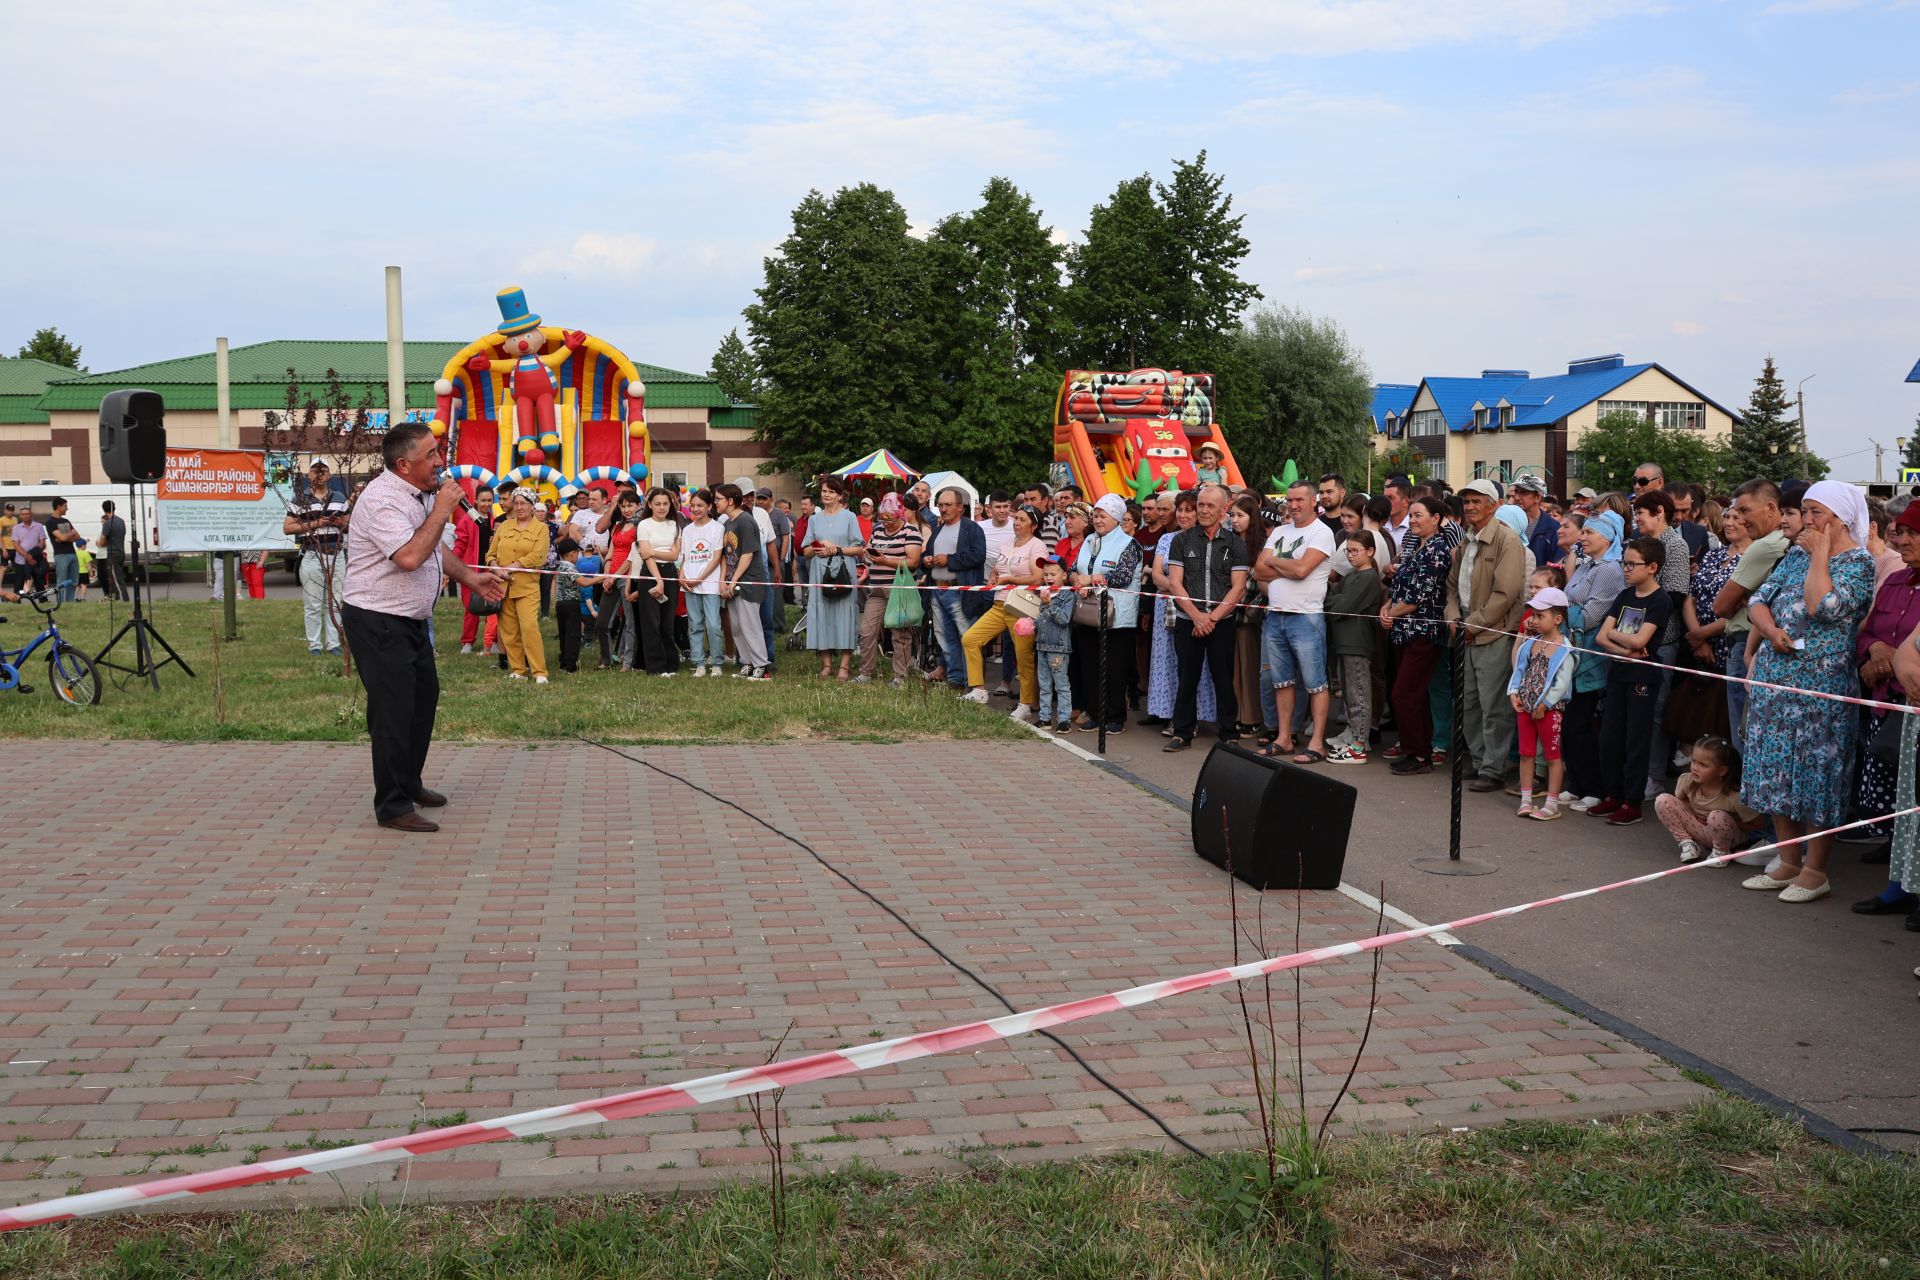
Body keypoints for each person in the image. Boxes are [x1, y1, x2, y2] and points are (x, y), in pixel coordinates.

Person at [339, 422, 506, 832]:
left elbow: (434, 546)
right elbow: (411, 556)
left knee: (421, 700)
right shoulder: (383, 501)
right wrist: (442, 511)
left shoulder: (418, 495)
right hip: (377, 617)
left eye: (438, 451)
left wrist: (471, 578)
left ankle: (409, 781)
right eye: (430, 455)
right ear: (403, 464)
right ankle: (392, 806)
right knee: (393, 711)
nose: (439, 461)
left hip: (409, 618)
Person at [1740, 483, 1878, 903]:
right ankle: (1787, 860)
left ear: (1839, 517)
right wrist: (1770, 631)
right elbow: (1758, 600)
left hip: (1822, 686)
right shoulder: (1794, 556)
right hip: (1776, 679)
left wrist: (1821, 555)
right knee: (1775, 768)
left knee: (1817, 774)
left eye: (1816, 511)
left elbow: (1824, 607)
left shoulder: (1858, 563)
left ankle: (1816, 870)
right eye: (1805, 511)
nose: (1807, 519)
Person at [1446, 479, 1527, 793]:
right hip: (1465, 632)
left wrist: (1473, 624)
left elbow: (1505, 595)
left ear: (1493, 505)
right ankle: (1479, 762)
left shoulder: (1507, 540)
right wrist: (1453, 618)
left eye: (1476, 501)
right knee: (1468, 704)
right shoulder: (1467, 540)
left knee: (1494, 706)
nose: (1469, 507)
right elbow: (1453, 587)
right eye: (1466, 502)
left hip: (1492, 634)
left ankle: (1493, 769)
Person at [1849, 503, 1920, 852]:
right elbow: (1866, 632)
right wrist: (1875, 648)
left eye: (1912, 533)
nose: (1901, 539)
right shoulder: (1894, 580)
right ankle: (1895, 862)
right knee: (1887, 781)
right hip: (1884, 700)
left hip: (1913, 701)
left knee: (1913, 789)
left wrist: (1898, 661)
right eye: (1901, 531)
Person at [1587, 537, 1671, 826]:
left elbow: (1642, 639)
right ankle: (1613, 793)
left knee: (1636, 738)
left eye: (1631, 564)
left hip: (1643, 678)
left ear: (1652, 567)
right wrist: (1627, 649)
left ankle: (1632, 801)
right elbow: (1601, 636)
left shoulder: (1661, 599)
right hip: (1619, 671)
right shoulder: (1624, 596)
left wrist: (1624, 640)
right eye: (1624, 562)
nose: (1625, 568)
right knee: (1609, 736)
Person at [1165, 485, 1250, 752]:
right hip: (1187, 620)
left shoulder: (1235, 543)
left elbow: (1238, 587)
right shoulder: (1181, 540)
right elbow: (1175, 583)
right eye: (1200, 504)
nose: (1203, 510)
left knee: (1223, 678)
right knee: (1186, 677)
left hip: (1221, 621)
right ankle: (1182, 732)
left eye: (1210, 506)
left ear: (1224, 509)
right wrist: (1196, 616)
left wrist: (1211, 618)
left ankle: (1228, 732)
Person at [1255, 481, 1335, 763]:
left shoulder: (1322, 533)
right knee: (1282, 681)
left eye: (1299, 499)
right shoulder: (1279, 530)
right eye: (1290, 500)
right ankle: (1284, 738)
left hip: (1306, 617)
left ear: (1314, 501)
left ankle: (1316, 743)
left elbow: (1302, 570)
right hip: (1276, 614)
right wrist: (1285, 566)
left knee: (1316, 683)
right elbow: (1258, 571)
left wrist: (1275, 562)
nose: (1293, 505)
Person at [1714, 479, 1790, 741]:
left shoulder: (1766, 545)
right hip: (1756, 643)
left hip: (1745, 643)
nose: (1740, 520)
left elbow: (1721, 606)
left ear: (1771, 508)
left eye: (1745, 511)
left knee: (1745, 736)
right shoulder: (1783, 543)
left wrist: (1748, 598)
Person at [1383, 496, 1453, 775]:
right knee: (1413, 694)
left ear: (1435, 518)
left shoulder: (1438, 550)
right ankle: (1419, 751)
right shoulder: (1413, 546)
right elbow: (1399, 585)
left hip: (1423, 631)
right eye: (1410, 515)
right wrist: (1386, 606)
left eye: (1418, 515)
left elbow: (1418, 597)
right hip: (1404, 630)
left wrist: (1391, 613)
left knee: (1404, 693)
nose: (1412, 520)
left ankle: (1417, 753)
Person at [1632, 487, 1691, 798]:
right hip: (1635, 637)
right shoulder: (1643, 544)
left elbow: (1676, 595)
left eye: (1641, 513)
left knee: (1655, 712)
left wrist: (1647, 625)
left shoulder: (1675, 547)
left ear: (1659, 513)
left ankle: (1654, 777)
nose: (1637, 518)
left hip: (1660, 640)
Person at [962, 504, 1047, 716]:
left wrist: (1010, 579)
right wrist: (993, 574)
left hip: (1022, 608)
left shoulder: (1037, 547)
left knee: (1023, 656)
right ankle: (979, 690)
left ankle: (1026, 704)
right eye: (1016, 518)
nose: (1016, 523)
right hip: (1000, 604)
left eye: (1022, 520)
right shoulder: (1007, 543)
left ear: (1034, 526)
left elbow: (1037, 578)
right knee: (970, 639)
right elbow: (999, 567)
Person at [1070, 493, 1143, 734]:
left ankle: (1115, 716)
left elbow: (1122, 577)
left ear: (1116, 518)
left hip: (1116, 618)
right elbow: (1073, 569)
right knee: (1089, 665)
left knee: (1114, 667)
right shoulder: (1089, 539)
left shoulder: (1129, 544)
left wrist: (1090, 580)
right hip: (1088, 613)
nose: (1098, 520)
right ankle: (1094, 712)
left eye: (1103, 516)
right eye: (1096, 515)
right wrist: (1077, 582)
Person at [1508, 587, 1577, 820]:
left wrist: (1545, 705)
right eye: (1533, 615)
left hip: (1549, 711)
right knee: (1526, 753)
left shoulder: (1565, 648)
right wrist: (1514, 693)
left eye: (1540, 616)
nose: (1534, 621)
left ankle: (1551, 803)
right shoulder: (1530, 643)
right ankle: (1526, 800)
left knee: (1552, 756)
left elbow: (1562, 683)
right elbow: (1519, 671)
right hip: (1525, 708)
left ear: (1557, 619)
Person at [1323, 532, 1383, 765]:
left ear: (1370, 552)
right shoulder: (1351, 575)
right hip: (1345, 641)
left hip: (1357, 642)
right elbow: (1333, 600)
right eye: (1348, 551)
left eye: (1354, 551)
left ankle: (1359, 743)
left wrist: (1336, 603)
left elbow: (1342, 605)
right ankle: (1353, 733)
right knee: (1350, 693)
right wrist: (1336, 603)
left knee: (1359, 693)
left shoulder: (1368, 577)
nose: (1350, 555)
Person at [1655, 737, 1761, 864]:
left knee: (1716, 816)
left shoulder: (1735, 796)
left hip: (1729, 837)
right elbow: (1680, 801)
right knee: (1663, 800)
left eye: (1703, 765)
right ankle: (1687, 843)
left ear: (1722, 770)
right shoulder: (1686, 780)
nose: (1695, 768)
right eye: (1694, 761)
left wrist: (1731, 822)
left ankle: (1721, 852)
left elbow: (1759, 824)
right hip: (1700, 830)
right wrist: (1695, 813)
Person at [854, 492, 924, 686]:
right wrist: (869, 556)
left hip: (898, 590)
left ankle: (900, 677)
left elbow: (913, 562)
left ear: (900, 514)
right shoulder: (877, 530)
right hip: (876, 590)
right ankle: (865, 673)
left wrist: (886, 560)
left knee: (900, 634)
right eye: (882, 517)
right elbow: (868, 550)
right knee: (867, 632)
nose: (885, 521)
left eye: (889, 517)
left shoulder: (910, 532)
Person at [923, 487, 988, 689]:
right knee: (946, 639)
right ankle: (955, 679)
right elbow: (931, 552)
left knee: (967, 637)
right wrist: (927, 559)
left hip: (959, 591)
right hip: (938, 590)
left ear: (960, 507)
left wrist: (949, 560)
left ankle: (974, 683)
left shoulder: (971, 528)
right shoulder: (938, 529)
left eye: (948, 504)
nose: (943, 509)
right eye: (940, 505)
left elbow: (978, 555)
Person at [802, 475, 863, 681]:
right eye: (824, 491)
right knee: (822, 614)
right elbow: (806, 550)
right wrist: (817, 547)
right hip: (819, 571)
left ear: (839, 495)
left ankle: (844, 666)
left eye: (831, 492)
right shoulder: (814, 519)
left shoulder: (850, 517)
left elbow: (858, 548)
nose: (826, 495)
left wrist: (836, 550)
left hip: (843, 570)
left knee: (845, 615)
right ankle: (826, 664)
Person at [487, 489, 551, 683]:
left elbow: (538, 556)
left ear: (532, 505)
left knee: (529, 628)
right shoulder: (504, 526)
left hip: (527, 588)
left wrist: (510, 568)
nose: (519, 507)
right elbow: (489, 555)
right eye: (516, 503)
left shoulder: (541, 528)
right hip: (503, 586)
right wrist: (496, 568)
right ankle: (518, 670)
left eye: (524, 503)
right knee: (508, 630)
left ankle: (539, 672)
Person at [284, 462, 349, 656]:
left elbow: (349, 525)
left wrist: (340, 523)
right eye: (315, 471)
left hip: (336, 555)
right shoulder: (300, 499)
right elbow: (288, 527)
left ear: (329, 475)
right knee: (312, 603)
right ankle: (315, 645)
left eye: (323, 471)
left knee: (336, 601)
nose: (319, 474)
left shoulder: (339, 498)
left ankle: (333, 643)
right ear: (309, 475)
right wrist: (315, 523)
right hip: (312, 554)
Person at [632, 487, 682, 676]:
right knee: (651, 622)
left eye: (665, 504)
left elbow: (674, 555)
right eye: (658, 504)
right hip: (650, 574)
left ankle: (671, 664)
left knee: (667, 623)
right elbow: (645, 555)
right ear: (650, 505)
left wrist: (653, 551)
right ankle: (655, 666)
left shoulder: (675, 525)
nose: (662, 507)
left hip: (670, 573)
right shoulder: (644, 525)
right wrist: (658, 581)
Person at [678, 489, 726, 675]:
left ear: (709, 506)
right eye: (693, 506)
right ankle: (699, 663)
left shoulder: (717, 528)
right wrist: (682, 576)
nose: (696, 509)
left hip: (710, 584)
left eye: (700, 506)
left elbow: (716, 558)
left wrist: (700, 578)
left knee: (713, 624)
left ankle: (717, 662)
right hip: (690, 584)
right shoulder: (688, 529)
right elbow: (685, 556)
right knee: (694, 624)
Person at [1034, 556, 1077, 732]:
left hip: (1059, 648)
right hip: (1042, 646)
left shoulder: (1068, 596)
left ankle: (1064, 719)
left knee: (1061, 685)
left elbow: (1064, 619)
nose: (1049, 577)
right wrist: (1032, 626)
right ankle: (1045, 718)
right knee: (1044, 684)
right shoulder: (1045, 594)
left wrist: (1049, 605)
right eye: (1045, 574)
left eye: (1053, 573)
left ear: (1064, 575)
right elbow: (1041, 620)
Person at [552, 536, 587, 674]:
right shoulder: (570, 567)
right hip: (571, 604)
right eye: (577, 553)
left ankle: (564, 661)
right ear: (572, 553)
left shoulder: (559, 565)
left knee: (564, 633)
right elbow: (583, 582)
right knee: (573, 633)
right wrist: (601, 578)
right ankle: (571, 664)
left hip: (560, 603)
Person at [46, 498, 80, 603]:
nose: (67, 508)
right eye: (65, 506)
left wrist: (64, 537)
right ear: (59, 506)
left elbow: (77, 536)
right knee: (62, 581)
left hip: (72, 554)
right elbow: (64, 538)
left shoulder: (66, 521)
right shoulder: (50, 522)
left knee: (73, 581)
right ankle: (60, 603)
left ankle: (70, 603)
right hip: (61, 555)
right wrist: (68, 535)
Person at [98, 500, 128, 601]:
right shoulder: (121, 521)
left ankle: (124, 600)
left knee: (116, 578)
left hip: (112, 553)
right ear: (114, 508)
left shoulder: (108, 523)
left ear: (104, 509)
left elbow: (102, 542)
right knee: (118, 576)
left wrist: (105, 542)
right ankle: (117, 598)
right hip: (121, 551)